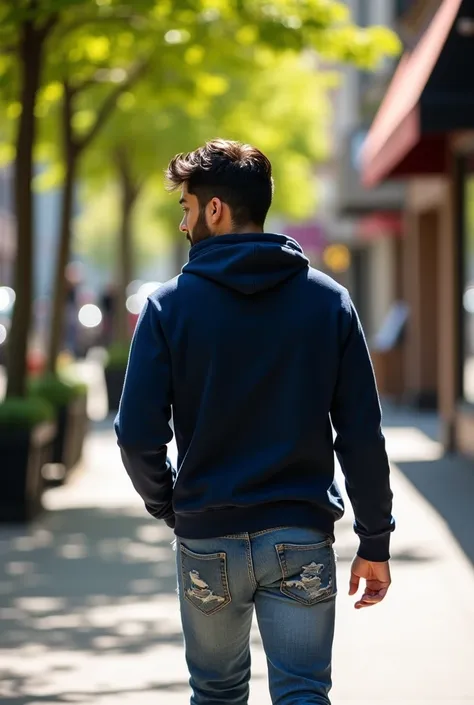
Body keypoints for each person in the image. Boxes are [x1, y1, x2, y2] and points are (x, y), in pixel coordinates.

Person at [115, 139, 394, 705]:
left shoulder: (169, 306)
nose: (183, 224)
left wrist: (170, 503)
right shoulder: (328, 301)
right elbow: (361, 431)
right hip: (300, 533)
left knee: (216, 694)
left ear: (214, 209)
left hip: (206, 536)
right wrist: (375, 538)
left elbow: (137, 433)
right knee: (303, 693)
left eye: (186, 208)